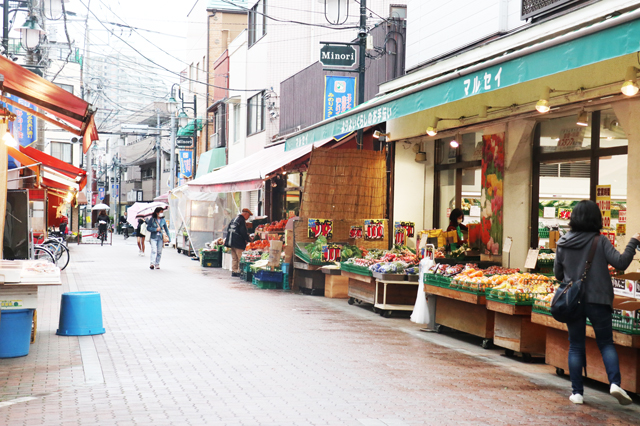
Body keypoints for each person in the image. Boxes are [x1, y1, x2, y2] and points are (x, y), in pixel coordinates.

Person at [554, 200, 640, 405]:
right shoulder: (599, 241)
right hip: (599, 300)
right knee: (605, 343)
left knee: (575, 345)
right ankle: (615, 384)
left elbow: (558, 274)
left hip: (572, 301)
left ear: (573, 218)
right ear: (596, 219)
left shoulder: (563, 242)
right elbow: (621, 262)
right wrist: (633, 241)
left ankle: (577, 393)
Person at [224, 208, 253, 277]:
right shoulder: (241, 220)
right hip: (238, 242)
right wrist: (248, 240)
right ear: (245, 214)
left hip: (231, 242)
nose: (248, 218)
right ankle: (240, 271)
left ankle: (234, 271)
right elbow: (243, 232)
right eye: (248, 216)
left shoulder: (234, 219)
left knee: (234, 258)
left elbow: (228, 229)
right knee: (240, 258)